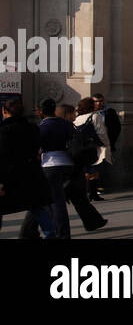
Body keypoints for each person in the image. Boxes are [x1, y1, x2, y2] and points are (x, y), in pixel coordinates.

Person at [0, 99, 52, 238]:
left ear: (4, 111)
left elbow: (2, 157)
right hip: (31, 172)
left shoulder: (3, 131)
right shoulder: (33, 128)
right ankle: (50, 233)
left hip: (9, 175)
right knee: (37, 207)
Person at [57, 104, 106, 232]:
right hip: (70, 167)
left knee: (79, 197)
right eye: (73, 113)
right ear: (67, 114)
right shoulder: (69, 128)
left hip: (69, 167)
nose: (75, 115)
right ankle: (93, 221)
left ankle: (94, 221)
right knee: (50, 201)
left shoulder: (67, 127)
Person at [34, 99, 74, 238]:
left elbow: (37, 148)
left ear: (40, 111)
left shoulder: (42, 127)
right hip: (68, 163)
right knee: (54, 199)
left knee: (56, 202)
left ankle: (62, 233)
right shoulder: (66, 124)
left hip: (50, 164)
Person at [73, 97, 110, 202]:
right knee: (93, 169)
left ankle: (91, 193)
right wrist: (106, 144)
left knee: (87, 170)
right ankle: (92, 193)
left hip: (80, 147)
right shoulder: (95, 116)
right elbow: (101, 132)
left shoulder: (77, 118)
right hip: (92, 146)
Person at [91, 93, 120, 195]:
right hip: (93, 144)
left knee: (102, 165)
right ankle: (93, 186)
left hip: (105, 143)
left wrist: (111, 141)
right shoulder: (89, 113)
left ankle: (100, 186)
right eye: (96, 101)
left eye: (101, 101)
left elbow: (116, 128)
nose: (99, 103)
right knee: (94, 166)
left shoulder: (109, 112)